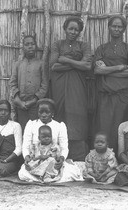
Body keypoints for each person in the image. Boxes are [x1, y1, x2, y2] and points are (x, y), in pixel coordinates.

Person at [93, 15, 128, 156]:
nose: (116, 29)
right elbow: (97, 70)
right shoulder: (102, 48)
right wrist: (119, 67)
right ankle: (104, 158)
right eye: (114, 26)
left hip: (122, 94)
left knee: (120, 127)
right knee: (103, 126)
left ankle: (119, 158)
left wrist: (107, 71)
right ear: (109, 27)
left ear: (124, 29)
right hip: (105, 94)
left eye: (119, 27)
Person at [49, 16, 92, 161]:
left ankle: (77, 155)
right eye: (70, 29)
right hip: (59, 85)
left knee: (77, 114)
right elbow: (54, 66)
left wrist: (65, 60)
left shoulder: (84, 46)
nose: (73, 32)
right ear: (65, 29)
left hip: (77, 85)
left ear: (80, 32)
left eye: (76, 30)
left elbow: (87, 66)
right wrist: (77, 64)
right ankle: (58, 154)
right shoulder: (57, 44)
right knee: (60, 113)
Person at [18, 98, 83, 182]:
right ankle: (43, 177)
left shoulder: (59, 126)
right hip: (36, 161)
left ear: (52, 113)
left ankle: (47, 177)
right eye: (41, 112)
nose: (44, 115)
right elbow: (25, 146)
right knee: (22, 173)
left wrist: (61, 160)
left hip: (53, 160)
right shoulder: (31, 124)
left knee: (70, 172)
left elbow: (64, 147)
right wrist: (27, 158)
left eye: (47, 112)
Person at [10, 34, 48, 131]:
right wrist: (18, 100)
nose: (30, 46)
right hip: (21, 105)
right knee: (23, 129)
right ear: (23, 47)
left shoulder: (41, 64)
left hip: (36, 105)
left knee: (36, 130)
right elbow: (13, 83)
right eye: (27, 44)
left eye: (32, 44)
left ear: (36, 46)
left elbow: (44, 85)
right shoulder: (18, 64)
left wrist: (34, 100)